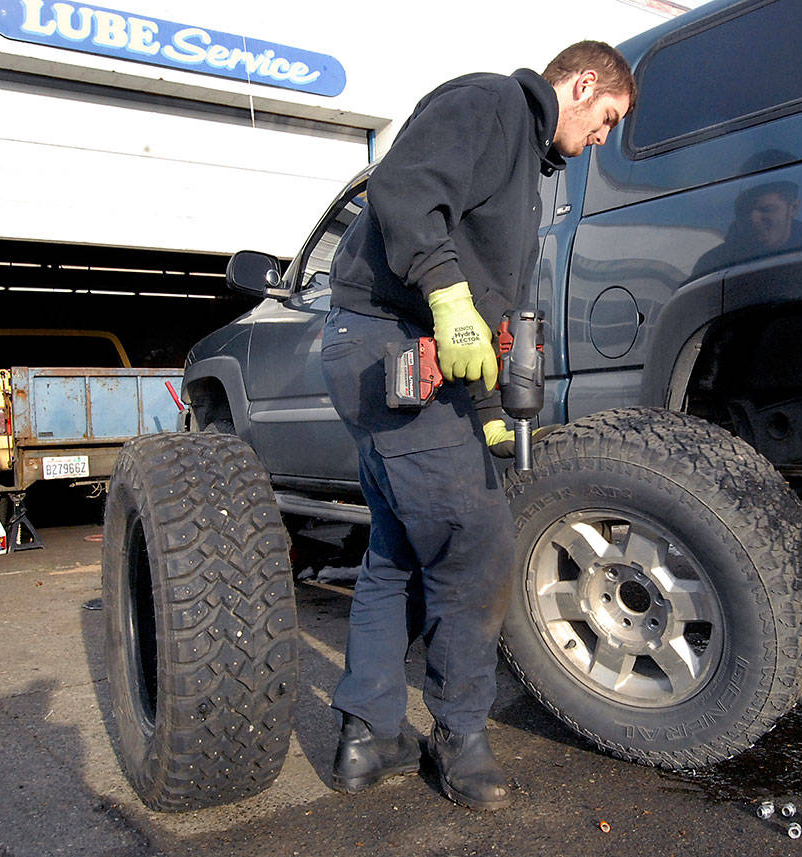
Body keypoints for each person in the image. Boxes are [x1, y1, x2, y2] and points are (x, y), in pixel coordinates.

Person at [318, 41, 635, 811]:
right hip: (393, 340)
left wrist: (492, 417)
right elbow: (402, 187)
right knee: (476, 545)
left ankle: (369, 734)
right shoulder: (493, 102)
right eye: (607, 118)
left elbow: (489, 330)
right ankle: (458, 735)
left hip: (390, 353)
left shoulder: (525, 169)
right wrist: (448, 296)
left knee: (396, 551)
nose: (602, 137)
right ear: (582, 83)